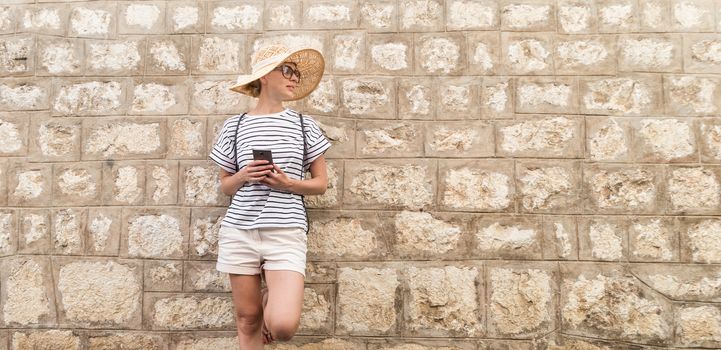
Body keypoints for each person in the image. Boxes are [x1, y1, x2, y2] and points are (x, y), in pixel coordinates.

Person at [208, 44, 330, 348]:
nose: (294, 79)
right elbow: (225, 186)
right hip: (239, 230)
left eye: (297, 74)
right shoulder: (234, 126)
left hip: (285, 230)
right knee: (247, 319)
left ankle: (268, 299)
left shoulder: (305, 126)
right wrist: (243, 175)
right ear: (265, 76)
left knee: (283, 326)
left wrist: (288, 184)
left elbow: (321, 184)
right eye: (288, 70)